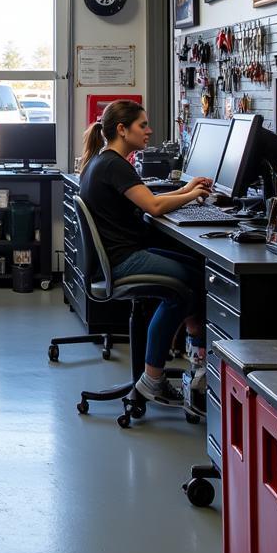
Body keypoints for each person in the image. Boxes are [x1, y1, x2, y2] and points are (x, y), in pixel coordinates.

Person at [78, 100, 210, 407]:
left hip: (118, 256)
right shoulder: (114, 165)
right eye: (142, 125)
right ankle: (153, 380)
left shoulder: (105, 160)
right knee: (183, 288)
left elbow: (148, 198)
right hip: (123, 261)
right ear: (122, 130)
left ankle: (196, 356)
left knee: (196, 270)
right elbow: (153, 207)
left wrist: (186, 188)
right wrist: (192, 195)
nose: (149, 131)